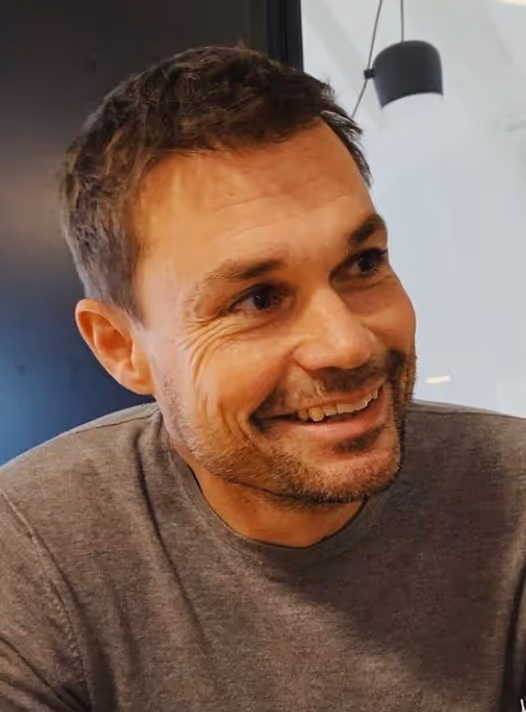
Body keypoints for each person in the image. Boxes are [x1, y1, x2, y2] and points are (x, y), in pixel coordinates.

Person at [0, 43, 525, 712]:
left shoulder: (511, 492)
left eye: (363, 263)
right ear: (122, 347)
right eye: (257, 299)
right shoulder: (33, 547)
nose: (347, 344)